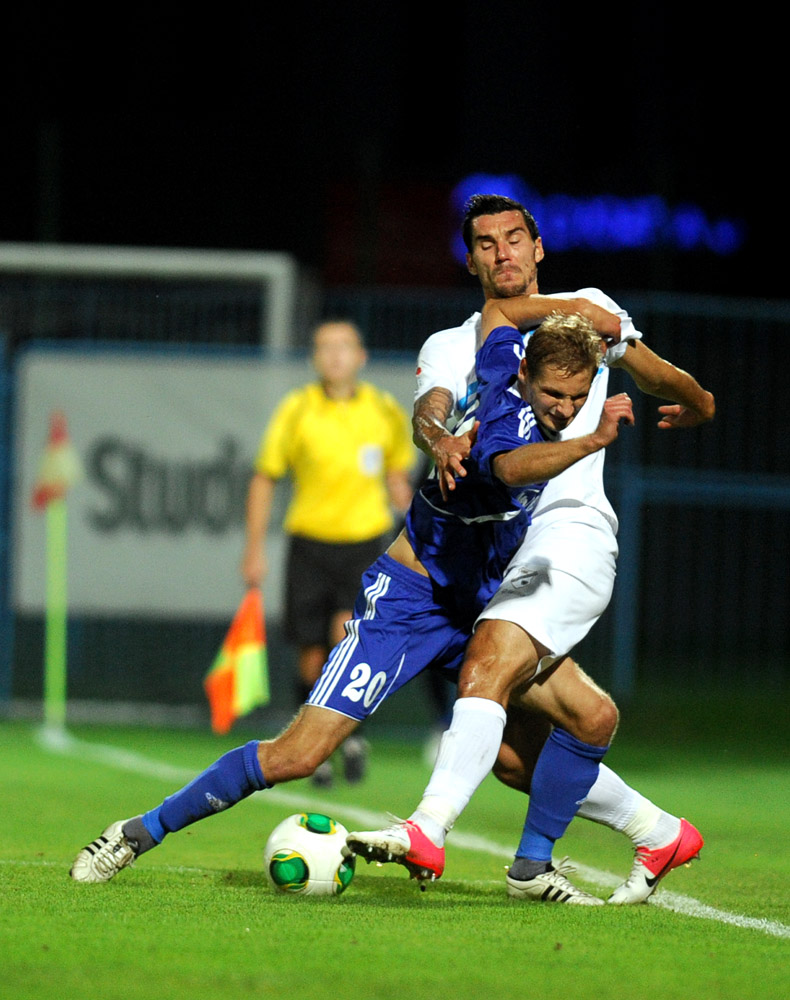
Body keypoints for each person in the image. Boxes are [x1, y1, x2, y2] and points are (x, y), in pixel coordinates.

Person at [68, 311, 634, 889]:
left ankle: (570, 855)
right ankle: (137, 832)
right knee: (298, 756)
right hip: (409, 604)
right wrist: (592, 440)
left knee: (575, 725)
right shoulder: (511, 425)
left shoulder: (499, 363)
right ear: (526, 376)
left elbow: (502, 315)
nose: (565, 408)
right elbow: (507, 467)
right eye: (554, 394)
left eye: (577, 397)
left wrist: (580, 316)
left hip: (479, 610)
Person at [348, 194, 714, 904]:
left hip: (569, 535)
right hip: (499, 554)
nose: (503, 253)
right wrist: (437, 436)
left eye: (515, 238)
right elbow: (433, 409)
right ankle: (657, 830)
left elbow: (654, 371)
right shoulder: (460, 342)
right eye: (486, 243)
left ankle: (429, 829)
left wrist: (698, 398)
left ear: (538, 247)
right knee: (516, 756)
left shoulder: (584, 322)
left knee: (487, 661)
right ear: (470, 259)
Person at [241, 318, 415, 787]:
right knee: (311, 653)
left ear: (361, 356)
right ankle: (312, 747)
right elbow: (265, 477)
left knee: (346, 641)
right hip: (309, 542)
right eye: (325, 347)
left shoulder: (383, 409)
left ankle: (350, 737)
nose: (335, 355)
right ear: (315, 358)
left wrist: (414, 523)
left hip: (363, 542)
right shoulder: (297, 409)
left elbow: (398, 477)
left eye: (344, 346)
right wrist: (253, 548)